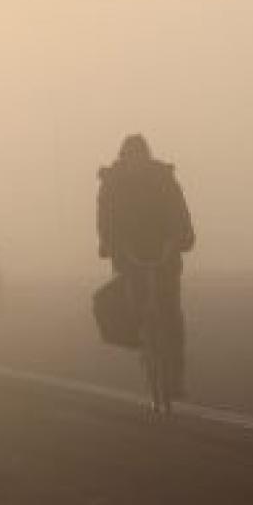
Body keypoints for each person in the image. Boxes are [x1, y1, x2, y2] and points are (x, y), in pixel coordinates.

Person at [97, 134, 195, 404]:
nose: (137, 163)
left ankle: (174, 377)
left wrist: (184, 237)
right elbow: (104, 218)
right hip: (128, 253)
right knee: (134, 306)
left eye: (141, 157)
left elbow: (179, 212)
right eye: (132, 157)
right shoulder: (112, 184)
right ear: (124, 159)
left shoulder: (163, 180)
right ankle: (143, 340)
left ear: (147, 157)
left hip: (165, 251)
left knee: (171, 314)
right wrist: (107, 243)